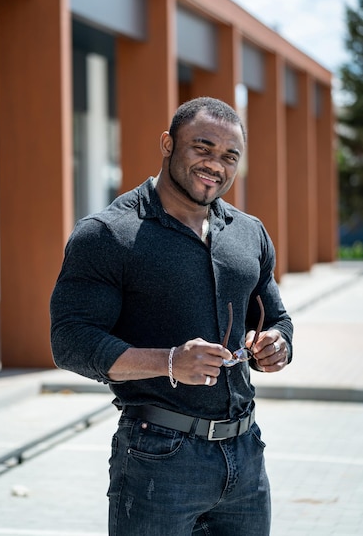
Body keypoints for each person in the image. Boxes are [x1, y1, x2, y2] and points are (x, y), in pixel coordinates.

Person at [50, 96, 293, 536]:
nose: (215, 165)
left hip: (245, 453)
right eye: (202, 148)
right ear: (168, 143)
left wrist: (276, 345)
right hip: (157, 457)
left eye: (229, 156)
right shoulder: (108, 234)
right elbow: (71, 341)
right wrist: (168, 361)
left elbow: (276, 316)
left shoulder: (248, 232)